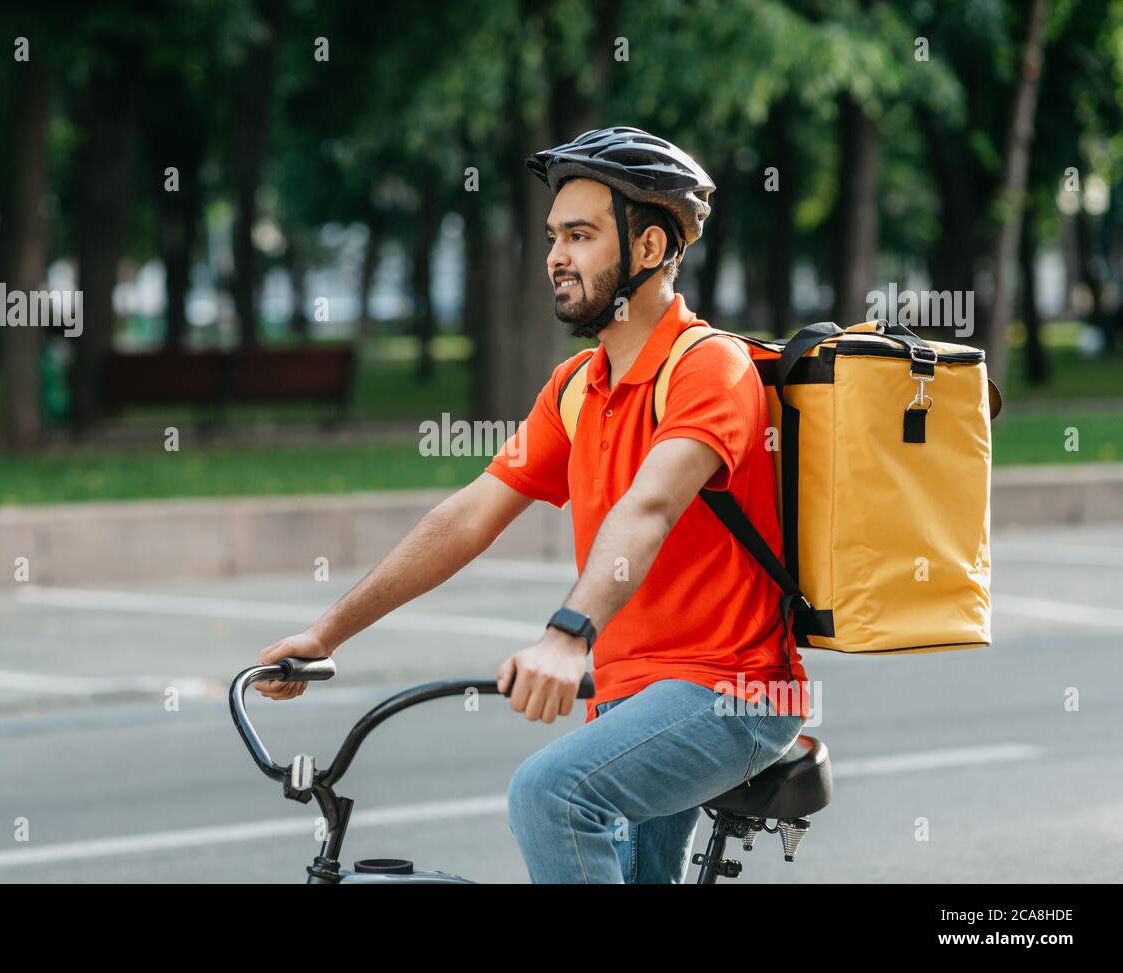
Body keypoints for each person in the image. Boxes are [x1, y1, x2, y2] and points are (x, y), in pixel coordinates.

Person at [254, 126, 811, 884]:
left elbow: (649, 507)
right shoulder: (579, 386)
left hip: (732, 691)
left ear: (648, 249)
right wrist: (326, 633)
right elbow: (470, 515)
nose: (555, 255)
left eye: (579, 235)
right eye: (553, 235)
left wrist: (567, 636)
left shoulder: (707, 367)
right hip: (632, 695)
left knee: (550, 794)